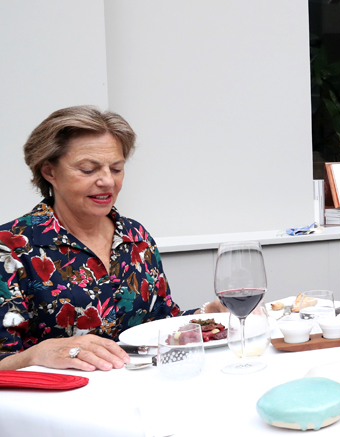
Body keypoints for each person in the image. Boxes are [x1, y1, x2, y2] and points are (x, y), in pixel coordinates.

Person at [0, 106, 216, 372]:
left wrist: (206, 316)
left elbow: (160, 322)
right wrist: (36, 354)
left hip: (141, 391)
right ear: (49, 172)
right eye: (89, 169)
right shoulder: (11, 247)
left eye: (116, 169)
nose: (107, 181)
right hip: (55, 406)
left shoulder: (136, 237)